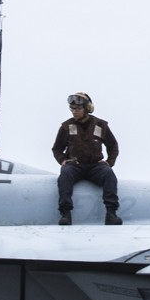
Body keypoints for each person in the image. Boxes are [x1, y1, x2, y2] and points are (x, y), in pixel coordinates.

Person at [50, 92, 121, 226]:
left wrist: (109, 162)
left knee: (109, 175)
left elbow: (113, 146)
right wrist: (63, 160)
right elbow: (57, 149)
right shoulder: (66, 126)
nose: (74, 112)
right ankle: (65, 214)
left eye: (78, 109)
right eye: (72, 109)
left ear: (87, 109)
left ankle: (111, 213)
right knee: (64, 175)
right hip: (75, 166)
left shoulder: (100, 125)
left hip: (95, 166)